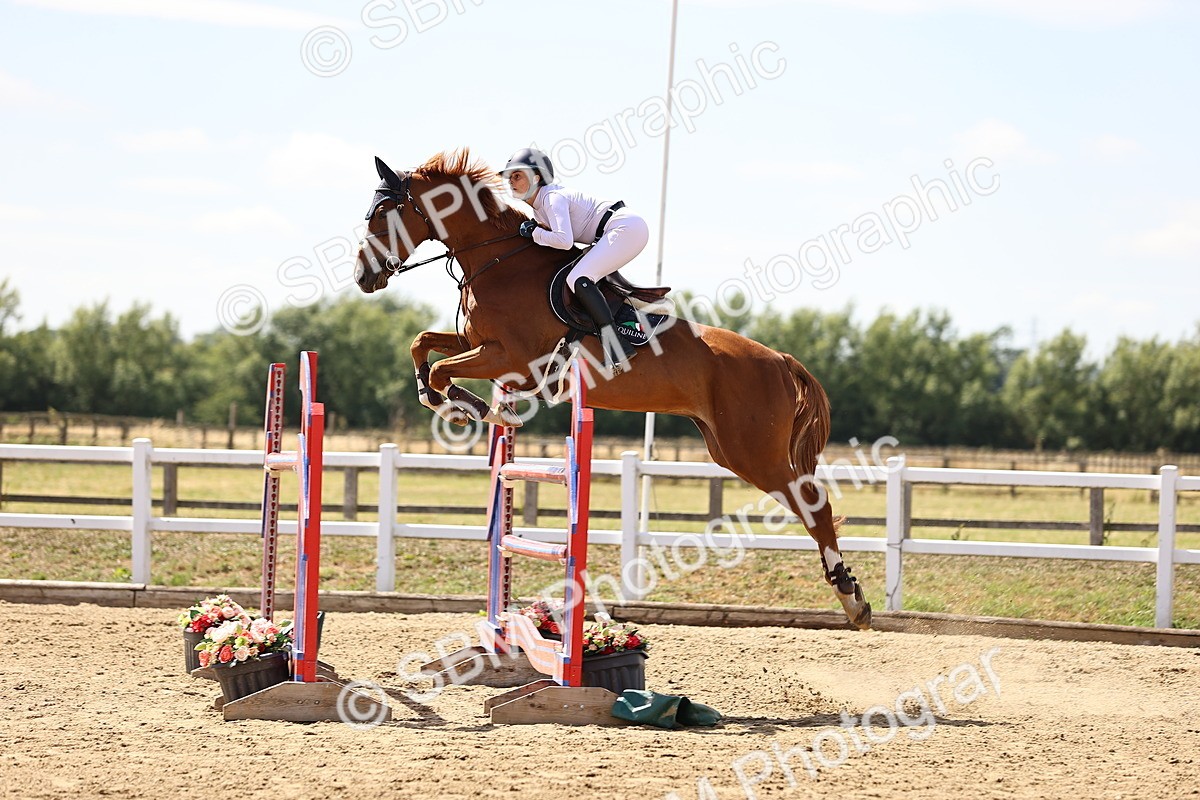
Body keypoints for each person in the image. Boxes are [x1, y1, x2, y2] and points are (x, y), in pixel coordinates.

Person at [500, 147, 650, 371]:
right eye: (510, 177)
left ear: (537, 177)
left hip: (625, 228)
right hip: (616, 231)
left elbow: (563, 241)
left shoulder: (551, 198)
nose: (511, 181)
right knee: (576, 276)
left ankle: (617, 346)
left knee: (579, 278)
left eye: (517, 175)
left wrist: (534, 233)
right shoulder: (539, 208)